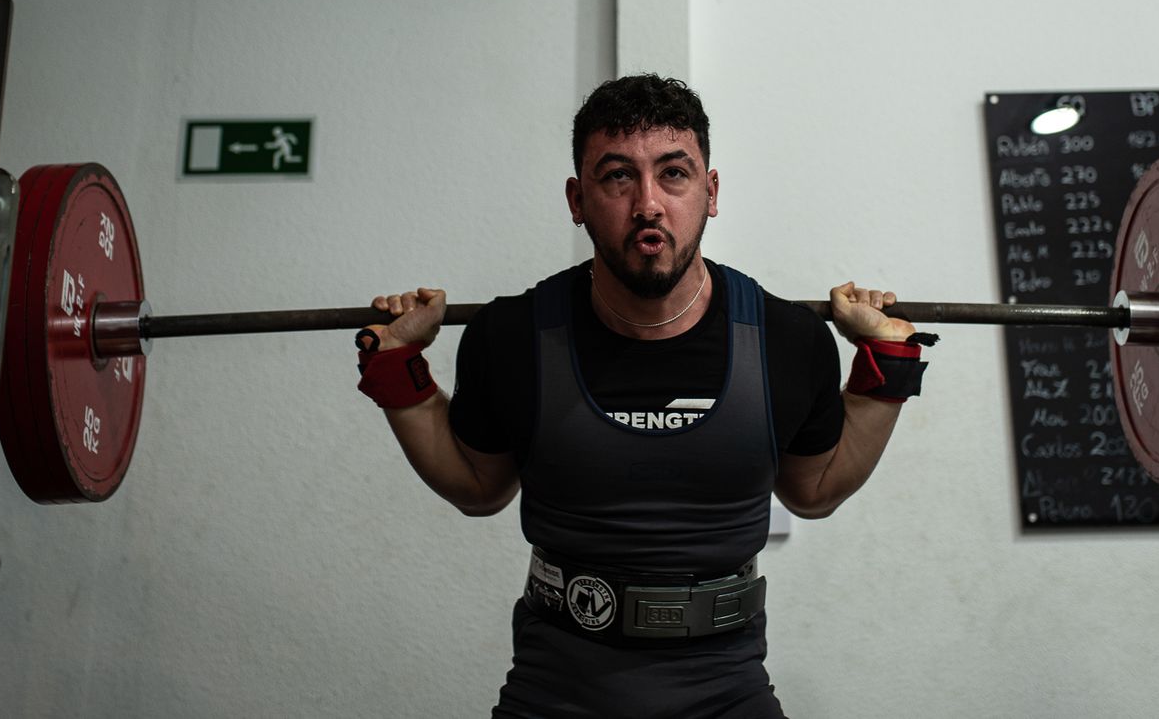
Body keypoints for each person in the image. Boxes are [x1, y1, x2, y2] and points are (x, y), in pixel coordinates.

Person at [355, 75, 932, 718]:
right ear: (578, 199)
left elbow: (814, 491)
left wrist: (888, 363)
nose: (648, 204)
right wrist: (396, 366)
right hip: (555, 692)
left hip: (727, 691)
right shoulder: (512, 334)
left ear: (710, 193)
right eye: (618, 177)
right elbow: (477, 487)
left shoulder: (786, 341)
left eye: (675, 174)